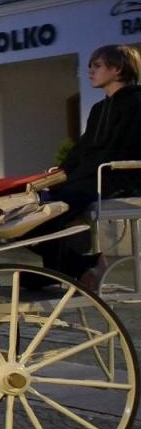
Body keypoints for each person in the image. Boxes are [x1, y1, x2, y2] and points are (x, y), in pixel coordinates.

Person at [34, 44, 141, 281]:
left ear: (117, 69)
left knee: (52, 210)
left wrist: (71, 178)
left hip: (116, 179)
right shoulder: (99, 108)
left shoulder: (136, 103)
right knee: (33, 205)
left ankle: (62, 271)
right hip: (91, 177)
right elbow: (82, 148)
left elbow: (119, 150)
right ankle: (73, 267)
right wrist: (58, 173)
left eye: (97, 65)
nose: (90, 71)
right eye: (90, 66)